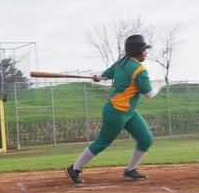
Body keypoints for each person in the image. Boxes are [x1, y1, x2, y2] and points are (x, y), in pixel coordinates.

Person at [65, 34, 166, 184]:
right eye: (144, 50)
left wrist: (97, 77)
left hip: (129, 112)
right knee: (102, 142)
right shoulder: (139, 69)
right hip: (116, 112)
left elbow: (104, 75)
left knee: (145, 139)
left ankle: (130, 170)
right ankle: (74, 168)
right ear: (137, 51)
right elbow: (149, 94)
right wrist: (159, 84)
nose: (146, 52)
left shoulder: (121, 63)